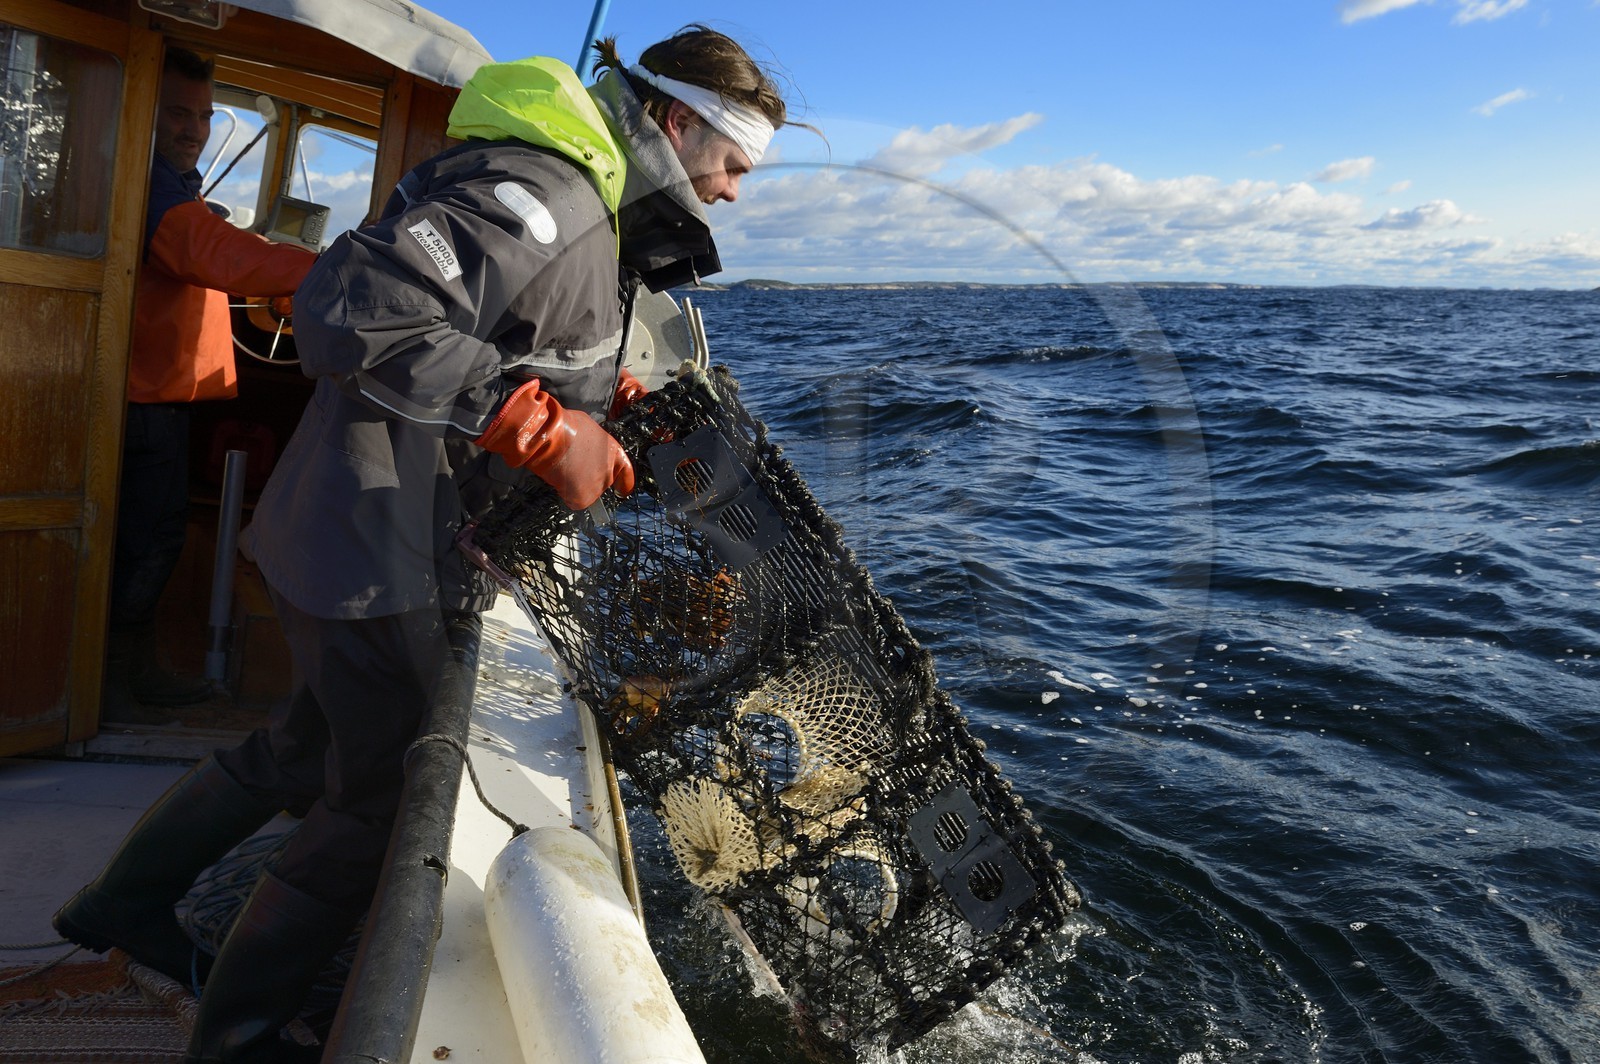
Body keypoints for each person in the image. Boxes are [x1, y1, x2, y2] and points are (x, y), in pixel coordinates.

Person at [56, 25, 796, 1062]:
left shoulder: (584, 208)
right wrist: (538, 429)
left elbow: (504, 333)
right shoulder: (547, 193)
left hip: (353, 533)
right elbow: (352, 308)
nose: (732, 192)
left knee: (299, 750)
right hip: (375, 549)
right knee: (383, 798)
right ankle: (237, 1036)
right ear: (676, 122)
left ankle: (116, 903)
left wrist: (596, 397)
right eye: (733, 163)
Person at [106, 46, 317, 724]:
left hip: (161, 394)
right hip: (142, 399)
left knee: (150, 535)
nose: (193, 129)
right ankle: (111, 682)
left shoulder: (175, 185)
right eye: (177, 113)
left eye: (201, 115)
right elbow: (210, 252)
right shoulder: (151, 186)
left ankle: (126, 669)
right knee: (148, 540)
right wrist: (326, 272)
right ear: (144, 111)